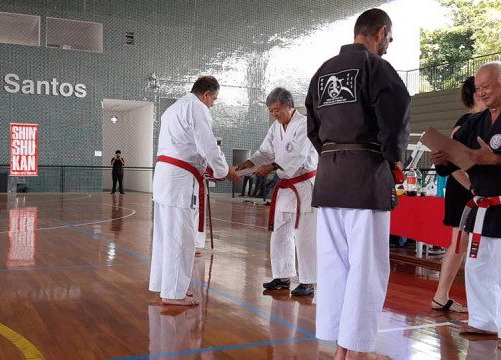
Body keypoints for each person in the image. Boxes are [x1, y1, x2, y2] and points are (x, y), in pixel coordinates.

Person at [305, 8, 410, 358]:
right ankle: (358, 348)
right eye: (389, 39)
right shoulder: (377, 68)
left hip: (330, 177)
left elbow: (313, 130)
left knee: (336, 265)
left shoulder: (322, 72)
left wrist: (335, 154)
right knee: (367, 266)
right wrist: (393, 156)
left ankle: (339, 344)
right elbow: (394, 118)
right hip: (365, 177)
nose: (388, 47)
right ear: (380, 32)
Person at [149, 76, 239, 306]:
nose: (212, 104)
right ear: (206, 94)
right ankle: (173, 293)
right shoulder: (196, 107)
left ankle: (165, 285)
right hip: (179, 180)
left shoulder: (173, 109)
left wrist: (211, 168)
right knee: (180, 238)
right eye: (214, 99)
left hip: (165, 176)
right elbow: (208, 145)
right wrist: (223, 170)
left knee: (165, 236)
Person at [431, 61, 501, 345]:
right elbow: (453, 149)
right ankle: (483, 321)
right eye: (478, 88)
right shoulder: (475, 121)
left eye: (487, 86)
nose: (481, 93)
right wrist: (443, 159)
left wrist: (495, 159)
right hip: (482, 207)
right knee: (478, 266)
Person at [236, 87, 318, 296]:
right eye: (271, 111)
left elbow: (298, 155)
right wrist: (250, 162)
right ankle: (282, 276)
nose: (275, 114)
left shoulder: (306, 123)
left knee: (304, 235)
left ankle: (308, 281)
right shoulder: (275, 127)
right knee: (280, 233)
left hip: (303, 187)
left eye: (278, 110)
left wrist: (271, 167)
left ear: (290, 106)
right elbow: (265, 152)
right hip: (284, 188)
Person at [432, 76, 484, 313]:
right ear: (475, 92)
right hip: (463, 189)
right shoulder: (465, 123)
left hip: (480, 188)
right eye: (481, 88)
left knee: (469, 244)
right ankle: (441, 295)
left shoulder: (491, 121)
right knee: (459, 243)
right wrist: (471, 187)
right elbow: (451, 163)